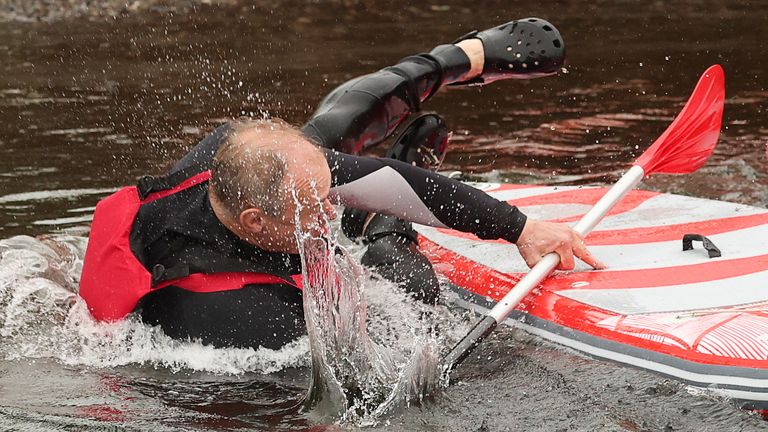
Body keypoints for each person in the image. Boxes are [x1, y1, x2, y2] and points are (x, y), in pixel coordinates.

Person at [79, 18, 605, 351]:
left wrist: (520, 228)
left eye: (326, 192)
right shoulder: (245, 322)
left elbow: (378, 179)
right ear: (255, 222)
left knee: (326, 137)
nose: (328, 211)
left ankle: (459, 58)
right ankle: (386, 222)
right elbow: (384, 355)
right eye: (315, 205)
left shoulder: (232, 159)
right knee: (412, 290)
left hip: (264, 210)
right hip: (234, 298)